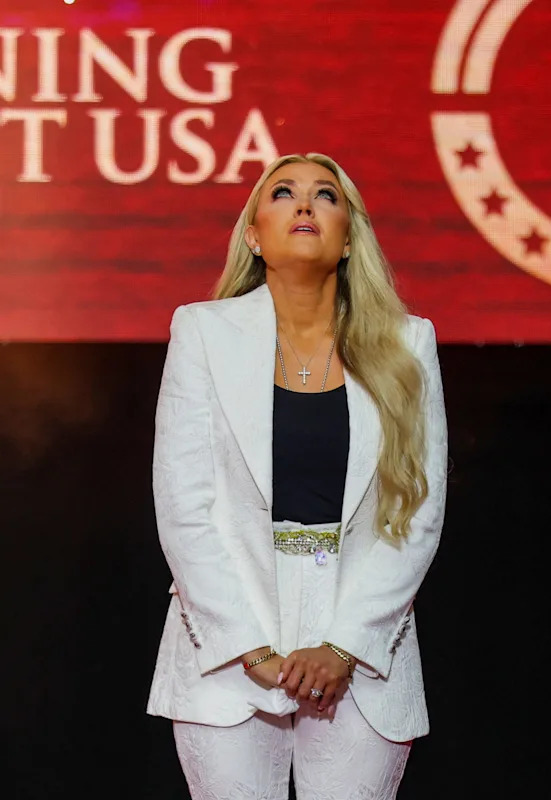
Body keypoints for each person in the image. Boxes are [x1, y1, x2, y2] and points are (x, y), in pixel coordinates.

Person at [146, 152, 448, 799]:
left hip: (363, 644)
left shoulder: (408, 343)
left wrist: (343, 646)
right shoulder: (202, 332)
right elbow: (183, 505)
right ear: (254, 235)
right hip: (227, 638)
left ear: (349, 238)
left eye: (326, 196)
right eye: (283, 192)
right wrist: (249, 647)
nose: (306, 204)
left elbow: (417, 513)